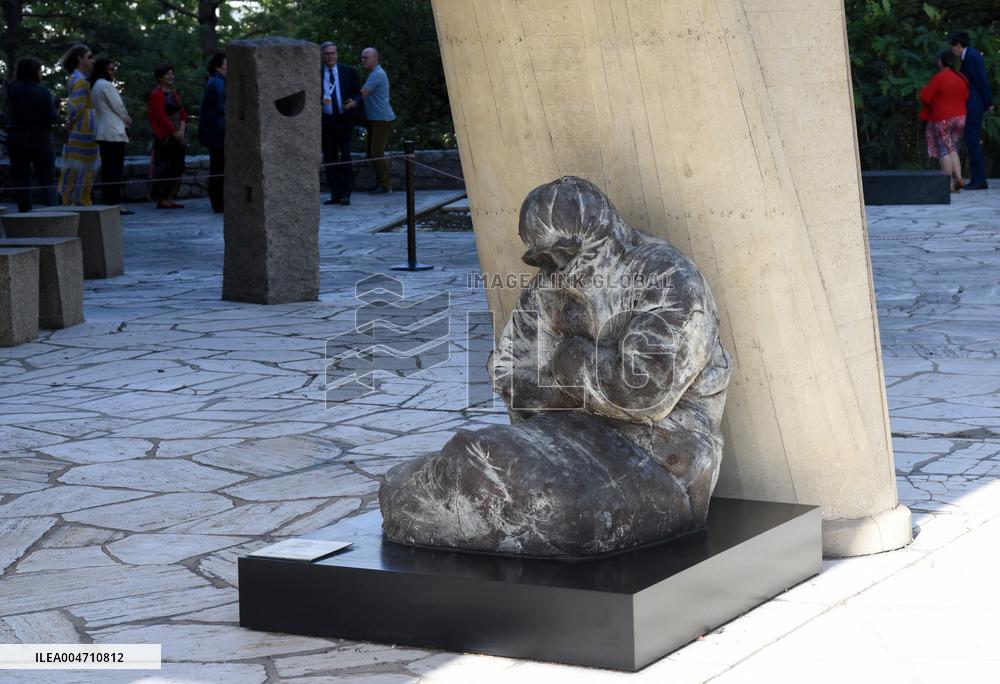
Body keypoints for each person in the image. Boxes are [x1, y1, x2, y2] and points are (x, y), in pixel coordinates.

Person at [4, 56, 59, 212]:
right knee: (47, 179)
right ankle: (54, 212)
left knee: (22, 181)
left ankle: (25, 215)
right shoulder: (43, 92)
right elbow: (52, 118)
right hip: (41, 141)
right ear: (35, 72)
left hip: (17, 140)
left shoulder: (12, 89)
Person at [950, 31, 994, 190]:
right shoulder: (969, 56)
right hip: (973, 102)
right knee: (971, 139)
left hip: (974, 103)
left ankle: (979, 179)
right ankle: (978, 178)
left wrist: (988, 102)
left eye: (953, 47)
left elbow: (982, 80)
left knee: (972, 139)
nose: (952, 51)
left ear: (959, 45)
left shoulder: (971, 57)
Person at [920, 50, 968, 193]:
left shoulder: (939, 78)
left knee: (943, 149)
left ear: (941, 62)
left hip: (943, 118)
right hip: (960, 117)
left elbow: (926, 98)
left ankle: (948, 185)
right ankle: (959, 177)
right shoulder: (961, 78)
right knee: (952, 147)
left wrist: (923, 91)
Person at [56, 44, 98, 206]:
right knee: (84, 165)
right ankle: (80, 198)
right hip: (84, 127)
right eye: (89, 57)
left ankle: (71, 197)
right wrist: (69, 123)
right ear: (80, 59)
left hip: (82, 126)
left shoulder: (76, 78)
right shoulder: (81, 81)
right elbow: (76, 107)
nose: (92, 60)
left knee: (76, 164)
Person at [90, 58, 133, 214]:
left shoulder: (95, 86)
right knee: (115, 170)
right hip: (113, 132)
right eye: (110, 69)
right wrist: (127, 119)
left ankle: (109, 201)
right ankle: (114, 203)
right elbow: (118, 106)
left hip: (103, 130)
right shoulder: (106, 85)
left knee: (108, 170)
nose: (113, 72)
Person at [320, 41, 360, 206]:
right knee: (329, 158)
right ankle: (335, 193)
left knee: (345, 156)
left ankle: (346, 193)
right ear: (323, 56)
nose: (330, 56)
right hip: (326, 121)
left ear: (337, 54)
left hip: (344, 120)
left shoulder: (348, 72)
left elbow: (358, 93)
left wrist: (354, 103)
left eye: (333, 53)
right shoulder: (318, 73)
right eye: (327, 54)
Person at [147, 64, 188, 209]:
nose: (171, 76)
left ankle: (170, 196)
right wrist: (174, 131)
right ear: (160, 77)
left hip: (178, 136)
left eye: (172, 73)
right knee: (165, 167)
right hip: (165, 137)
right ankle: (162, 197)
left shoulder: (174, 94)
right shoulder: (156, 95)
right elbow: (160, 117)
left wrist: (181, 130)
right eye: (167, 74)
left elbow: (183, 114)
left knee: (177, 167)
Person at [359, 47, 395, 194]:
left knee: (377, 152)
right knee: (370, 152)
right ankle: (380, 182)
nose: (363, 60)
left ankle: (385, 185)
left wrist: (348, 102)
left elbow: (362, 93)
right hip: (374, 119)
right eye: (362, 58)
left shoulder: (377, 74)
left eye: (366, 57)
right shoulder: (373, 74)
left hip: (382, 118)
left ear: (375, 58)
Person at [198, 52, 226, 213]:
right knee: (218, 167)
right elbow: (222, 108)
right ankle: (218, 202)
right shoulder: (217, 83)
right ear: (218, 67)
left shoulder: (217, 82)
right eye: (226, 64)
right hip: (217, 134)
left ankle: (219, 201)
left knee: (218, 167)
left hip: (216, 132)